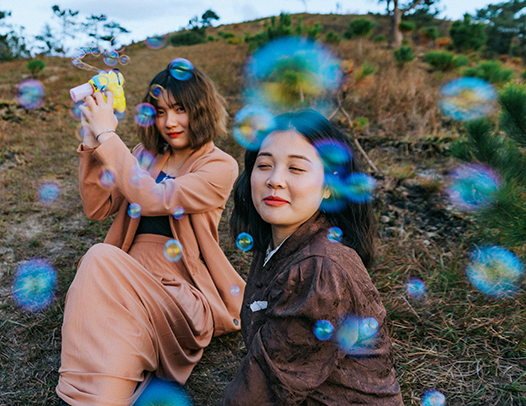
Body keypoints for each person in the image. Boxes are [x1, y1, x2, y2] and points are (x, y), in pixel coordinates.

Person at [57, 61, 245, 406]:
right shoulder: (142, 157)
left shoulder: (219, 165)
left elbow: (155, 197)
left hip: (179, 291)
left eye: (180, 109)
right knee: (112, 327)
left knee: (98, 260)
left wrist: (108, 137)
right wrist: (89, 138)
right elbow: (97, 207)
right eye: (160, 112)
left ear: (201, 109)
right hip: (128, 279)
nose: (169, 122)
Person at [221, 110, 403, 405]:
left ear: (329, 186)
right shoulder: (279, 243)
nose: (275, 180)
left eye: (296, 169)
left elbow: (265, 383)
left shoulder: (320, 269)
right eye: (264, 165)